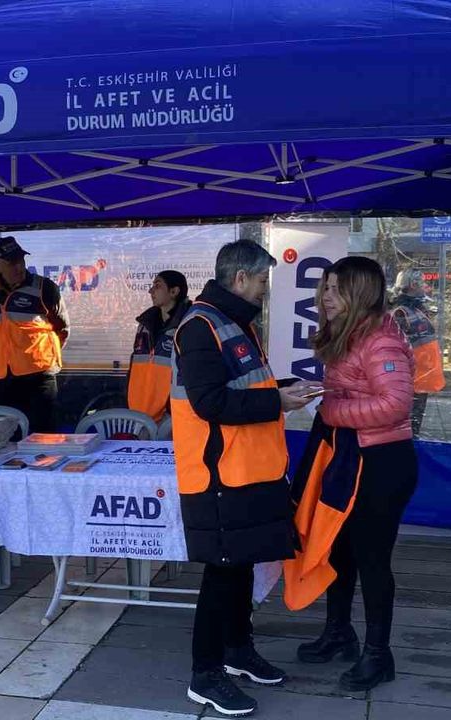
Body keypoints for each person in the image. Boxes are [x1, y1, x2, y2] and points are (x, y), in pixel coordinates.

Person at [171, 240, 315, 717]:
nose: (264, 289)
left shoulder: (235, 323)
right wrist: (277, 402)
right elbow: (210, 403)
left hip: (251, 470)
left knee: (242, 568)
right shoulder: (200, 326)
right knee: (223, 574)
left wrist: (283, 389)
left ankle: (238, 650)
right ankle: (205, 674)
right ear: (239, 278)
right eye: (261, 281)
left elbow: (244, 387)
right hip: (218, 476)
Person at [289, 256, 418, 692]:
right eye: (324, 288)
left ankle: (379, 655)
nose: (324, 298)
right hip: (351, 458)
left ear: (359, 293)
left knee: (372, 559)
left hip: (381, 464)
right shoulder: (351, 333)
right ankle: (339, 632)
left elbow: (396, 405)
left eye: (334, 289)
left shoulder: (381, 340)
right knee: (339, 550)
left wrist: (332, 410)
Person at [0, 236, 69, 433]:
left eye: (21, 261)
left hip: (40, 375)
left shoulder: (44, 288)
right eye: (12, 263)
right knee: (10, 436)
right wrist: (3, 353)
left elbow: (62, 328)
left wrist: (39, 355)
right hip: (4, 377)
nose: (19, 267)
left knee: (44, 436)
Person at [127, 270, 192, 422]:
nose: (151, 291)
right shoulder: (144, 325)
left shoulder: (188, 324)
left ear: (174, 291)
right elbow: (133, 369)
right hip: (139, 414)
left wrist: (171, 411)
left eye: (157, 286)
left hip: (173, 417)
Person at [389, 269, 444, 435]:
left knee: (414, 426)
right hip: (412, 382)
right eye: (422, 283)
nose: (425, 286)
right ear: (413, 285)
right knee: (408, 429)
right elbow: (393, 351)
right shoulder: (401, 312)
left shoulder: (417, 309)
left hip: (421, 379)